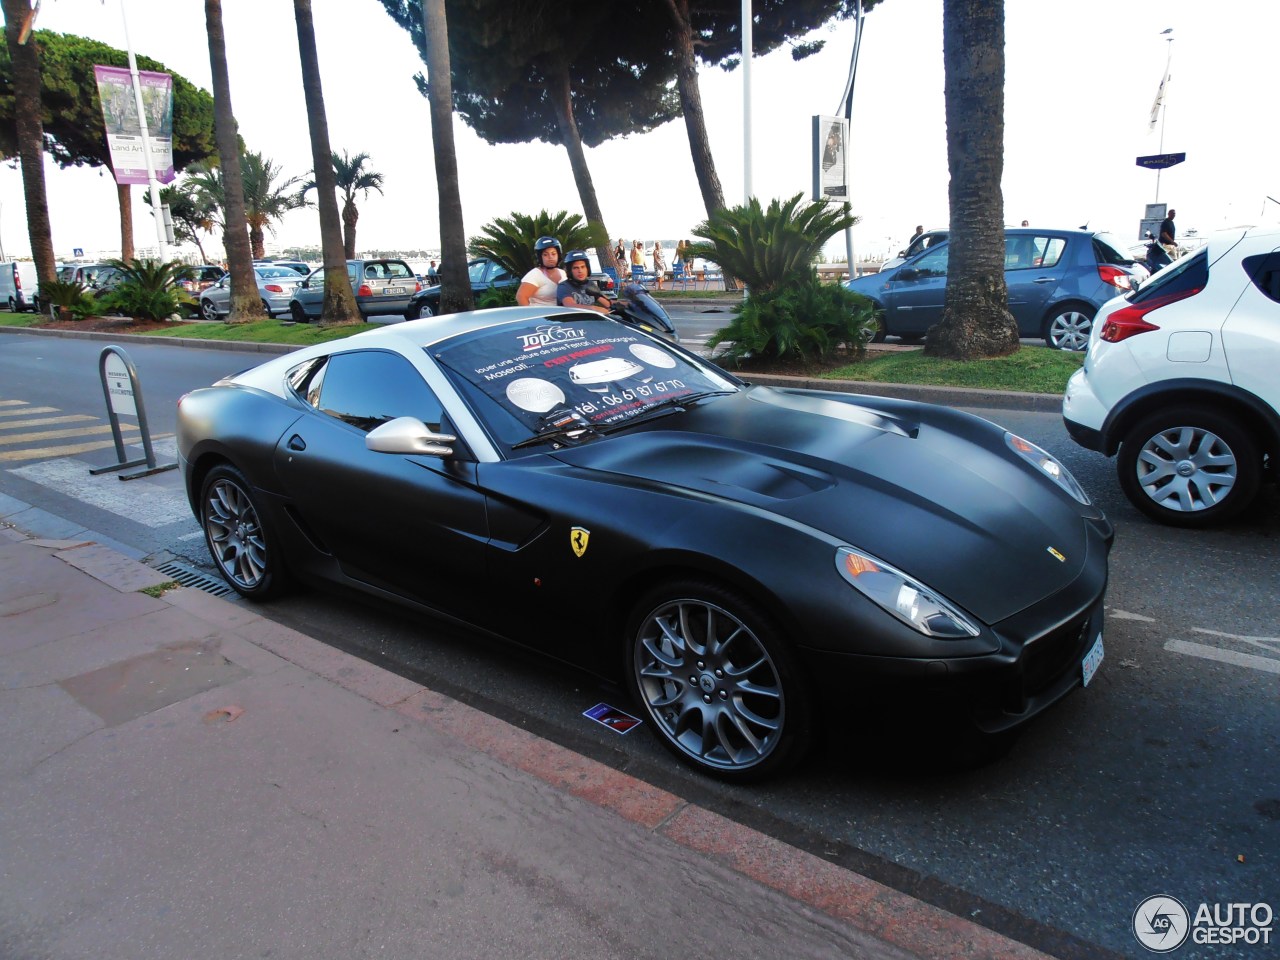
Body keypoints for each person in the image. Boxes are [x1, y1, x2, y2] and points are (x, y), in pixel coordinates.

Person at [556, 249, 612, 314]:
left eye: (583, 267)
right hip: (572, 322)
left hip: (591, 321)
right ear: (570, 271)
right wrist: (593, 309)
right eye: (576, 268)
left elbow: (607, 304)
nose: (580, 271)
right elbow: (570, 306)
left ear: (587, 268)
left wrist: (620, 304)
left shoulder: (589, 284)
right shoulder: (564, 286)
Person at [515, 236, 565, 307]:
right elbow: (521, 297)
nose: (550, 257)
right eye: (545, 254)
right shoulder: (535, 274)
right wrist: (531, 315)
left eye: (553, 254)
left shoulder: (563, 273)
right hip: (541, 315)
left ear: (558, 255)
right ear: (540, 257)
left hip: (561, 315)